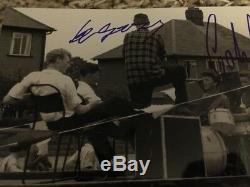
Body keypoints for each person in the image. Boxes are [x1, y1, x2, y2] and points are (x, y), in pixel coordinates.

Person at [123, 13, 187, 108]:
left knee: (140, 107)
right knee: (180, 71)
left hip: (133, 80)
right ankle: (181, 104)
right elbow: (161, 58)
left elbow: (124, 55)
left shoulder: (127, 37)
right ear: (148, 24)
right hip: (151, 76)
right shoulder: (156, 36)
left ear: (135, 25)